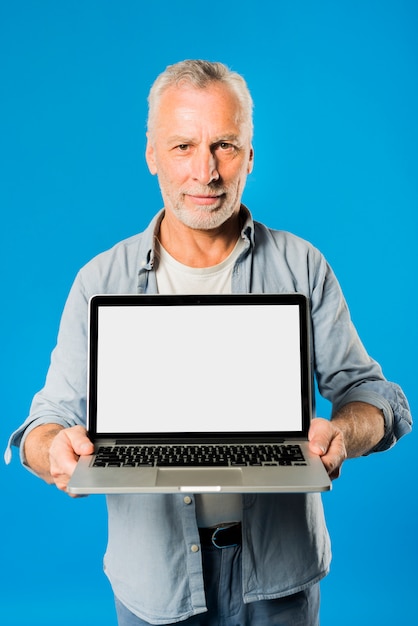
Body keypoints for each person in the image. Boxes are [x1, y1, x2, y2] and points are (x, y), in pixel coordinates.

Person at [6, 60, 412, 626]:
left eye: (223, 145)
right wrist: (51, 447)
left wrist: (343, 431)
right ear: (151, 154)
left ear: (249, 155)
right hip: (156, 584)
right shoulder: (100, 281)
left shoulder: (303, 266)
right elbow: (44, 420)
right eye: (182, 147)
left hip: (278, 580)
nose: (205, 171)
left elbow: (377, 396)